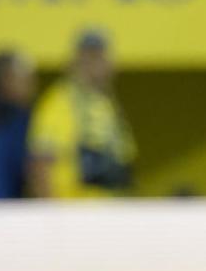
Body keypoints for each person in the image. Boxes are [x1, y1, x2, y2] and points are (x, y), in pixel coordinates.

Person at [27, 31, 136, 200]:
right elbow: (39, 164)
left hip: (108, 208)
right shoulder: (59, 103)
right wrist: (50, 212)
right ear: (75, 62)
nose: (97, 65)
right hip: (74, 210)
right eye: (90, 57)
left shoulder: (104, 102)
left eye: (101, 57)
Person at [0, 50, 36, 199]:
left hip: (12, 207)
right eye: (24, 79)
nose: (32, 86)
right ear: (5, 79)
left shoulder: (23, 118)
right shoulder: (16, 121)